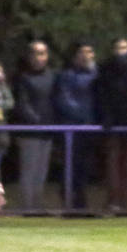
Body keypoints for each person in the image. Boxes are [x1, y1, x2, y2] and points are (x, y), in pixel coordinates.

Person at [96, 38, 127, 215]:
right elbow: (102, 96)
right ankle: (113, 201)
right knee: (113, 165)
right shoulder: (106, 69)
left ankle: (125, 203)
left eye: (124, 48)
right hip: (113, 125)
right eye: (118, 48)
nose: (121, 52)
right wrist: (106, 118)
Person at [11, 40, 58, 212]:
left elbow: (55, 100)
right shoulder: (22, 77)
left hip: (48, 130)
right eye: (35, 53)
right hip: (29, 131)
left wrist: (51, 123)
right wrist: (36, 122)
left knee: (42, 170)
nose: (39, 58)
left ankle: (37, 205)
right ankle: (27, 206)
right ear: (29, 56)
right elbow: (22, 104)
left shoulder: (52, 76)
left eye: (42, 53)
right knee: (29, 170)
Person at [53, 41, 100, 210]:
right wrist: (82, 118)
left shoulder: (97, 75)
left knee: (84, 167)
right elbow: (63, 100)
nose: (85, 56)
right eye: (82, 52)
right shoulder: (66, 75)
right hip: (72, 128)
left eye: (89, 52)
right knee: (70, 166)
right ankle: (69, 202)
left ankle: (81, 203)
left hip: (90, 129)